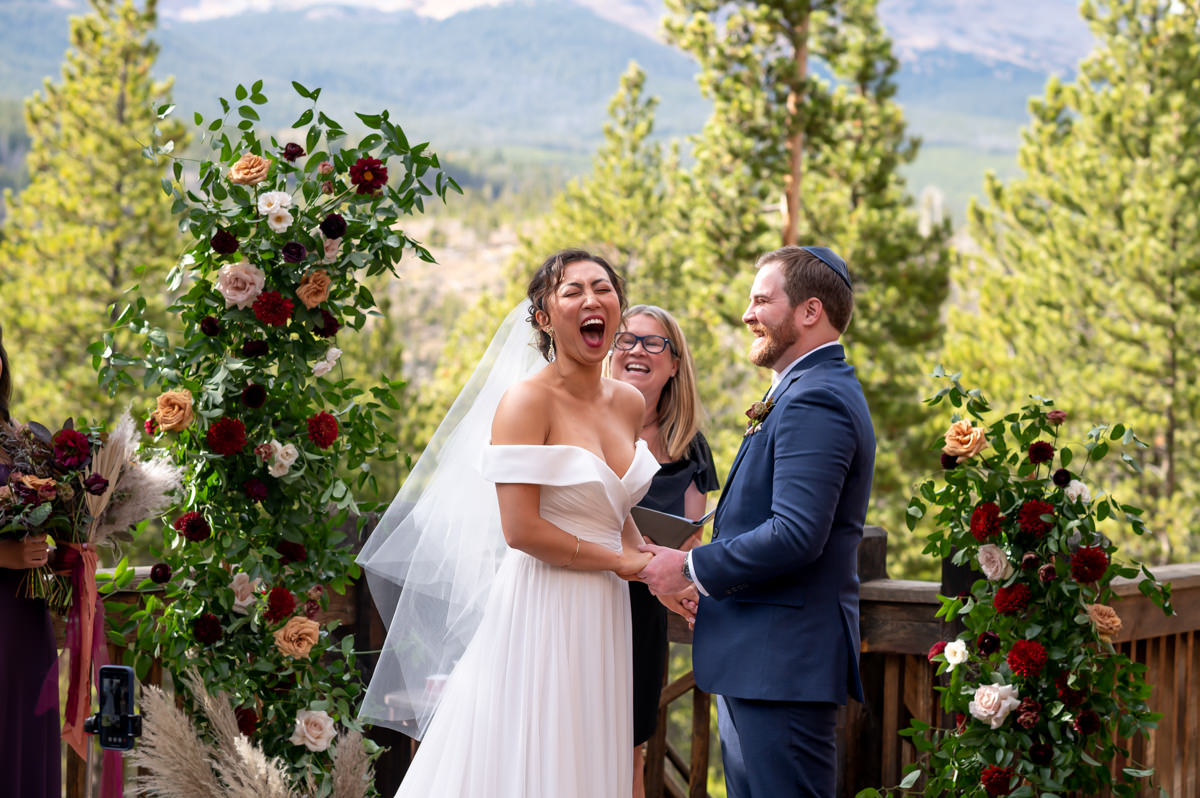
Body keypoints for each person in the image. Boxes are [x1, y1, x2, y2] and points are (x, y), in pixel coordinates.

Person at [359, 250, 661, 797]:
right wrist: (623, 562)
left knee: (590, 756)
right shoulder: (526, 402)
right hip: (543, 605)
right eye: (572, 292)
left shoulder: (629, 402)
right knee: (532, 750)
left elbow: (614, 513)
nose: (592, 300)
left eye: (603, 288)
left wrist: (659, 570)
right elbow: (521, 530)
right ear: (544, 318)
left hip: (606, 611)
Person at [638, 246, 876, 798]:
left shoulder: (816, 399)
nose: (748, 314)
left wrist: (692, 567)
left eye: (762, 300)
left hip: (782, 667)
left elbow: (796, 533)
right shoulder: (801, 389)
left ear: (810, 311)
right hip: (762, 660)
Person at [610, 305, 717, 797]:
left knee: (630, 750)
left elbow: (692, 536)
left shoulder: (692, 446)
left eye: (653, 343)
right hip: (582, 592)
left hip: (643, 612)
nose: (636, 349)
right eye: (626, 339)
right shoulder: (583, 423)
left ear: (675, 363)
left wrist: (673, 566)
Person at [0, 323, 62, 798]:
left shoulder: (19, 437)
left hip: (26, 617)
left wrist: (70, 544)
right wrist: (6, 553)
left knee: (28, 739)